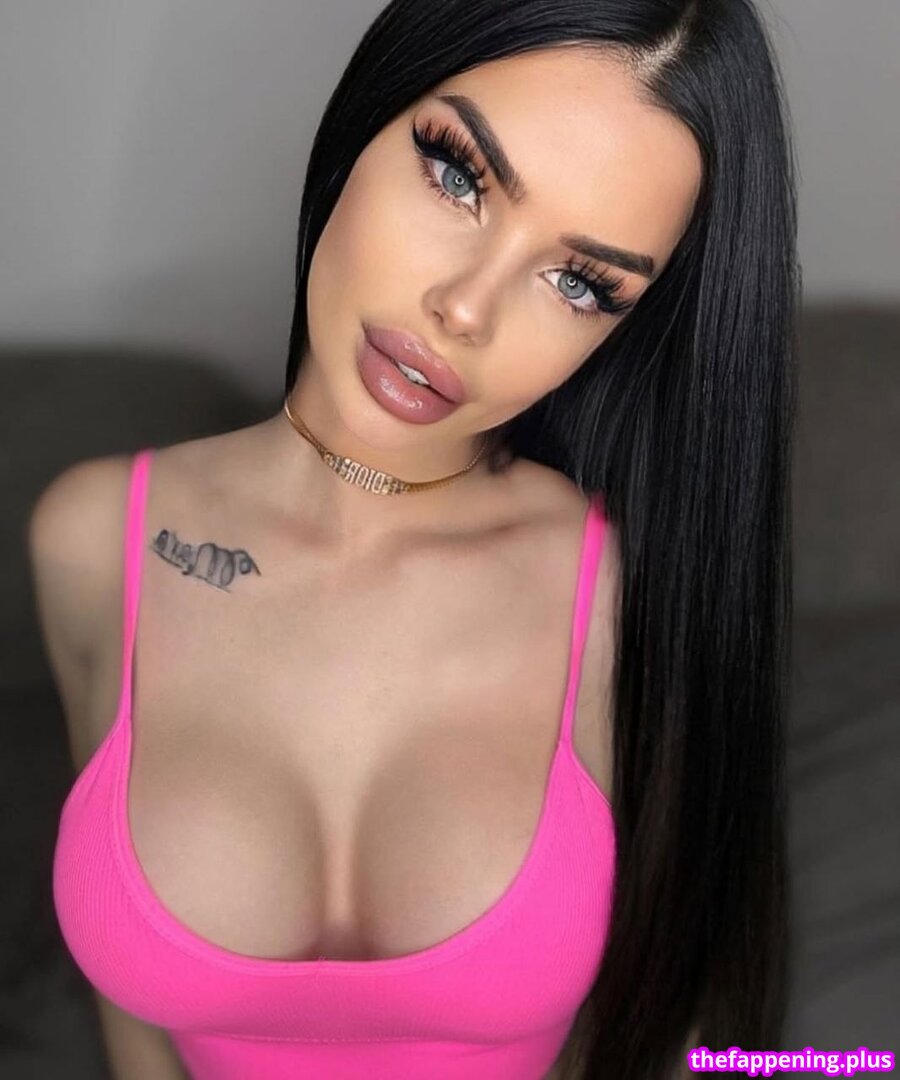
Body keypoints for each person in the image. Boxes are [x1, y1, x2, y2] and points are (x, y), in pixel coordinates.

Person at [27, 0, 798, 1077]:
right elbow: (135, 1029)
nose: (465, 310)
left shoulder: (630, 592)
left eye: (580, 283)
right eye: (457, 175)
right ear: (364, 122)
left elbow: (686, 1023)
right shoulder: (92, 538)